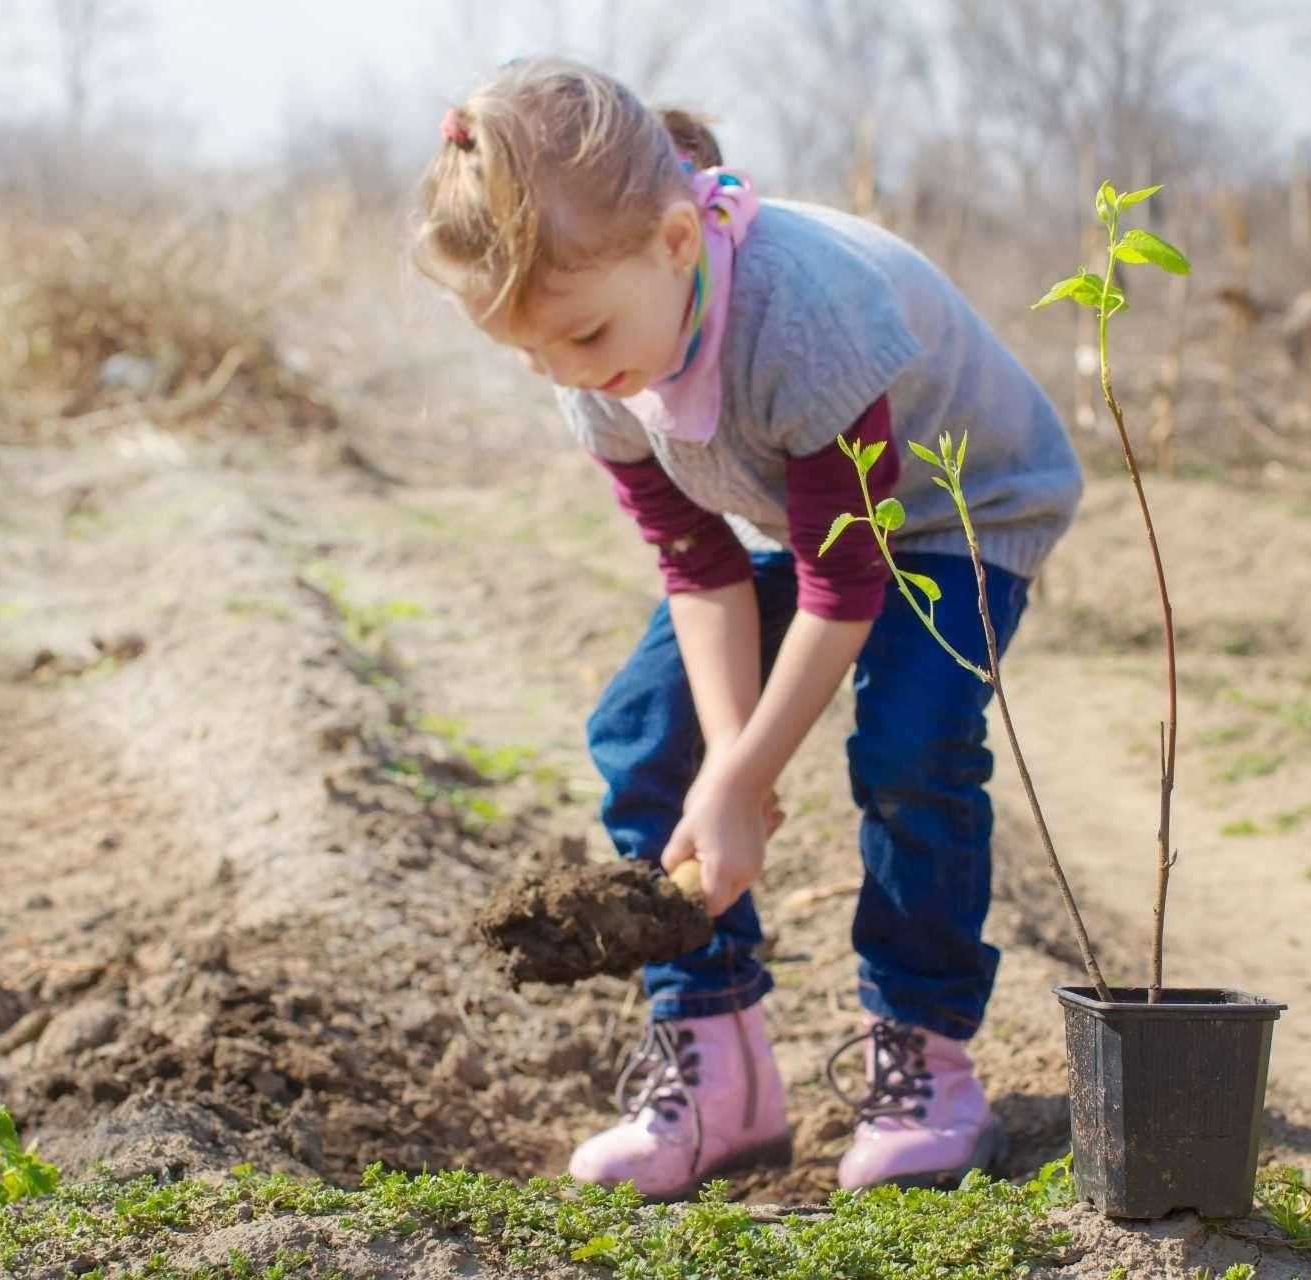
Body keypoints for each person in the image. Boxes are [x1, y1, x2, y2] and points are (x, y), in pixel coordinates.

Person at [413, 57, 1082, 1199]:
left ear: (678, 242)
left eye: (575, 338)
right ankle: (718, 1071)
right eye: (528, 353)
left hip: (962, 508)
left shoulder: (803, 317)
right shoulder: (597, 354)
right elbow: (702, 568)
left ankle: (923, 1055)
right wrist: (730, 767)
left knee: (911, 741)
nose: (563, 373)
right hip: (799, 517)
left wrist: (748, 780)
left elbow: (846, 585)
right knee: (646, 729)